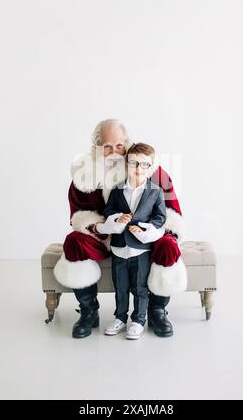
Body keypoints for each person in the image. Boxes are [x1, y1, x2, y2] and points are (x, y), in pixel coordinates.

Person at [53, 119, 187, 339]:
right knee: (74, 242)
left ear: (128, 144)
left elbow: (170, 214)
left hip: (143, 239)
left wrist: (153, 232)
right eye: (107, 146)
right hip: (104, 237)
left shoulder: (152, 171)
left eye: (119, 146)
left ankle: (156, 311)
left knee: (168, 245)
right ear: (97, 148)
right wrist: (99, 226)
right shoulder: (84, 177)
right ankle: (89, 312)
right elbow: (78, 215)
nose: (114, 153)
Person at [102, 143, 166, 340]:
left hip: (140, 249)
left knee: (140, 288)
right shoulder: (117, 189)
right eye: (134, 163)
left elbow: (160, 217)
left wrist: (146, 228)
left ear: (151, 166)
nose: (138, 169)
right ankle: (120, 318)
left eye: (144, 165)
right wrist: (117, 217)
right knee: (120, 287)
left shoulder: (155, 191)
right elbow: (108, 211)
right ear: (126, 164)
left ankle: (139, 320)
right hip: (120, 248)